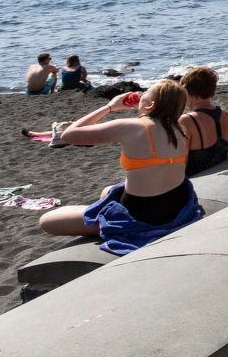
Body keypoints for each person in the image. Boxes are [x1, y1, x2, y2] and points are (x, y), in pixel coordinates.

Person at [37, 82, 203, 253]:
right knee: (107, 191)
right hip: (178, 204)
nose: (140, 94)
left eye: (145, 92)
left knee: (47, 221)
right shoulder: (180, 130)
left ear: (151, 104)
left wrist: (110, 107)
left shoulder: (131, 127)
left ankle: (105, 226)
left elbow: (68, 135)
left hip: (144, 216)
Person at [179, 65, 228, 176]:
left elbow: (181, 161)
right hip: (219, 165)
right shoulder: (223, 114)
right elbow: (227, 151)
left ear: (186, 90)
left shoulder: (187, 120)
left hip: (196, 175)